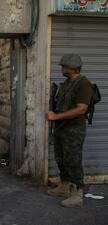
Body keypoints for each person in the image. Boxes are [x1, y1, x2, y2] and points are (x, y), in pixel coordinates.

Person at [47, 54, 93, 208]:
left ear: (72, 68)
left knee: (73, 160)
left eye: (64, 67)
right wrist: (54, 119)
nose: (62, 69)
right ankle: (64, 186)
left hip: (74, 129)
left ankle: (78, 193)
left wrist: (56, 116)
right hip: (61, 128)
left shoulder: (83, 83)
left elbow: (81, 109)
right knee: (61, 158)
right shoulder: (66, 83)